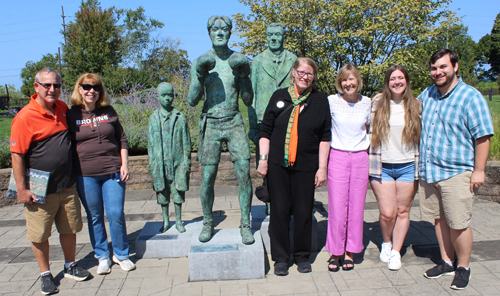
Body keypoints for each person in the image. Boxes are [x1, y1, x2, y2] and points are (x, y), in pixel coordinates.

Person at [10, 67, 90, 295]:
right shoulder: (24, 117)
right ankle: (45, 274)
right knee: (40, 234)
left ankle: (70, 265)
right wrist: (22, 189)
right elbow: (17, 155)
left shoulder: (62, 108)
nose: (52, 89)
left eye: (56, 85)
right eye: (47, 85)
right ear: (36, 87)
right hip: (38, 189)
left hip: (66, 185)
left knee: (69, 228)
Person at [419, 49, 493, 290]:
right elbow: (406, 107)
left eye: (443, 67)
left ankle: (464, 267)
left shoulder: (470, 97)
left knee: (458, 223)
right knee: (439, 220)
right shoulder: (428, 94)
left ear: (455, 67)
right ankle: (447, 262)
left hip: (456, 172)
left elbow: (482, 137)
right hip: (430, 172)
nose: (438, 72)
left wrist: (479, 170)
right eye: (434, 68)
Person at [258, 57, 331, 276]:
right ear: (293, 72)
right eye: (301, 71)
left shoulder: (320, 100)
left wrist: (322, 168)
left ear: (314, 76)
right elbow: (265, 130)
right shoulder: (279, 96)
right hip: (278, 165)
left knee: (303, 212)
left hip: (307, 166)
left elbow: (325, 137)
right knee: (279, 211)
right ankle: (280, 258)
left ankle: (301, 256)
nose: (305, 76)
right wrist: (263, 159)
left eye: (310, 73)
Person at [188, 15, 254, 244]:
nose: (219, 33)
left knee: (244, 173)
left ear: (230, 32)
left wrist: (244, 76)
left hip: (234, 120)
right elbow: (192, 100)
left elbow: (247, 100)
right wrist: (200, 75)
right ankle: (208, 222)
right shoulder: (201, 61)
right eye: (215, 29)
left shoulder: (238, 60)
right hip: (211, 122)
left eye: (224, 29)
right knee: (207, 177)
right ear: (208, 33)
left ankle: (246, 223)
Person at [67, 73, 136, 275]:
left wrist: (125, 164)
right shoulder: (72, 115)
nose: (91, 91)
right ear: (79, 89)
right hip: (85, 174)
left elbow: (121, 138)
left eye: (96, 87)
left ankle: (121, 254)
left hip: (112, 171)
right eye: (87, 87)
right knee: (95, 216)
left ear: (100, 91)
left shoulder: (109, 111)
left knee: (115, 214)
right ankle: (102, 256)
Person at [369, 65, 421, 270]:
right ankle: (386, 242)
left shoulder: (417, 105)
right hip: (382, 166)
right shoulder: (376, 105)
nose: (397, 81)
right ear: (387, 82)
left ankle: (396, 252)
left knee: (402, 211)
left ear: (406, 81)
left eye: (400, 78)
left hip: (408, 165)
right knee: (387, 213)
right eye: (393, 78)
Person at [325, 64, 371, 272]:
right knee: (336, 207)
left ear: (358, 81)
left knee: (356, 207)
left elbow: (370, 128)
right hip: (338, 157)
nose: (348, 83)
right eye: (344, 80)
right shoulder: (332, 102)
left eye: (351, 79)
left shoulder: (367, 103)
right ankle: (335, 251)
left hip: (360, 157)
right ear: (340, 82)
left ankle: (351, 251)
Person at [249, 23, 297, 215]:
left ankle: (289, 201)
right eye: (270, 35)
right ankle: (270, 202)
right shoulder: (258, 61)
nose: (274, 38)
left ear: (284, 36)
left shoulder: (293, 59)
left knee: (290, 160)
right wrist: (253, 125)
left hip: (288, 118)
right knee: (265, 162)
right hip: (263, 119)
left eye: (277, 34)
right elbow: (251, 94)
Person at [148, 82, 191, 233]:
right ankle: (166, 220)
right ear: (158, 97)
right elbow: (150, 144)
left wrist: (186, 162)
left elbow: (186, 142)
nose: (167, 99)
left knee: (178, 192)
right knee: (162, 192)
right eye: (164, 95)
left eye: (170, 95)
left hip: (178, 162)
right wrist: (152, 163)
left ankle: (179, 221)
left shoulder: (180, 117)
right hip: (160, 163)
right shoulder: (154, 118)